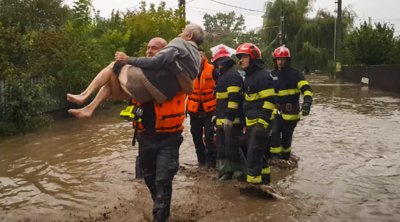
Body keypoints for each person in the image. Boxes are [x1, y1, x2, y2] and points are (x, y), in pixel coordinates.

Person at [66, 23, 204, 118]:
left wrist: (127, 59)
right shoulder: (197, 58)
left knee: (116, 63)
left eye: (183, 31)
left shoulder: (179, 44)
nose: (180, 34)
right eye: (148, 48)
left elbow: (156, 62)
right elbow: (118, 96)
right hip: (148, 109)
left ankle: (84, 95)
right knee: (112, 74)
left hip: (147, 89)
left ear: (189, 35)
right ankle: (88, 108)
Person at [236, 43, 276, 185]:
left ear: (253, 58)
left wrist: (262, 123)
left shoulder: (263, 77)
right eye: (240, 57)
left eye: (244, 56)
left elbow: (270, 101)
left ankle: (253, 186)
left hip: (260, 123)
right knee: (257, 153)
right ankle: (265, 179)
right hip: (252, 123)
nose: (241, 60)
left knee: (253, 155)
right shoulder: (249, 77)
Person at [130, 37, 168, 179]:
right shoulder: (136, 70)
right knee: (144, 174)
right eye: (148, 47)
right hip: (143, 130)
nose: (149, 51)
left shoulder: (170, 72)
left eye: (154, 48)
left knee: (162, 176)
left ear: (164, 52)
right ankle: (140, 186)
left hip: (165, 132)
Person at [269, 45, 313, 160]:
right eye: (278, 59)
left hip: (291, 112)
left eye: (283, 59)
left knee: (286, 138)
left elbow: (306, 88)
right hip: (275, 110)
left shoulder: (295, 74)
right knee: (274, 133)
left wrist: (307, 102)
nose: (280, 62)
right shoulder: (271, 74)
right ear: (275, 60)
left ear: (287, 60)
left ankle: (285, 158)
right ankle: (275, 159)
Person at [212, 45, 246, 181]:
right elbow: (220, 100)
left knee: (232, 149)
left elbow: (234, 99)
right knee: (221, 149)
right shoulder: (223, 77)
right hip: (221, 120)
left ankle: (241, 175)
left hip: (232, 121)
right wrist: (216, 114)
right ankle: (225, 173)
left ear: (222, 63)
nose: (216, 66)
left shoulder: (232, 76)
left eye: (217, 63)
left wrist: (229, 117)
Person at [187, 48, 218, 168]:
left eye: (199, 56)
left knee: (210, 136)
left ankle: (212, 162)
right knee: (196, 136)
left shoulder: (212, 69)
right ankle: (201, 161)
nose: (197, 58)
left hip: (209, 110)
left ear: (204, 56)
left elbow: (220, 85)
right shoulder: (188, 71)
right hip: (194, 110)